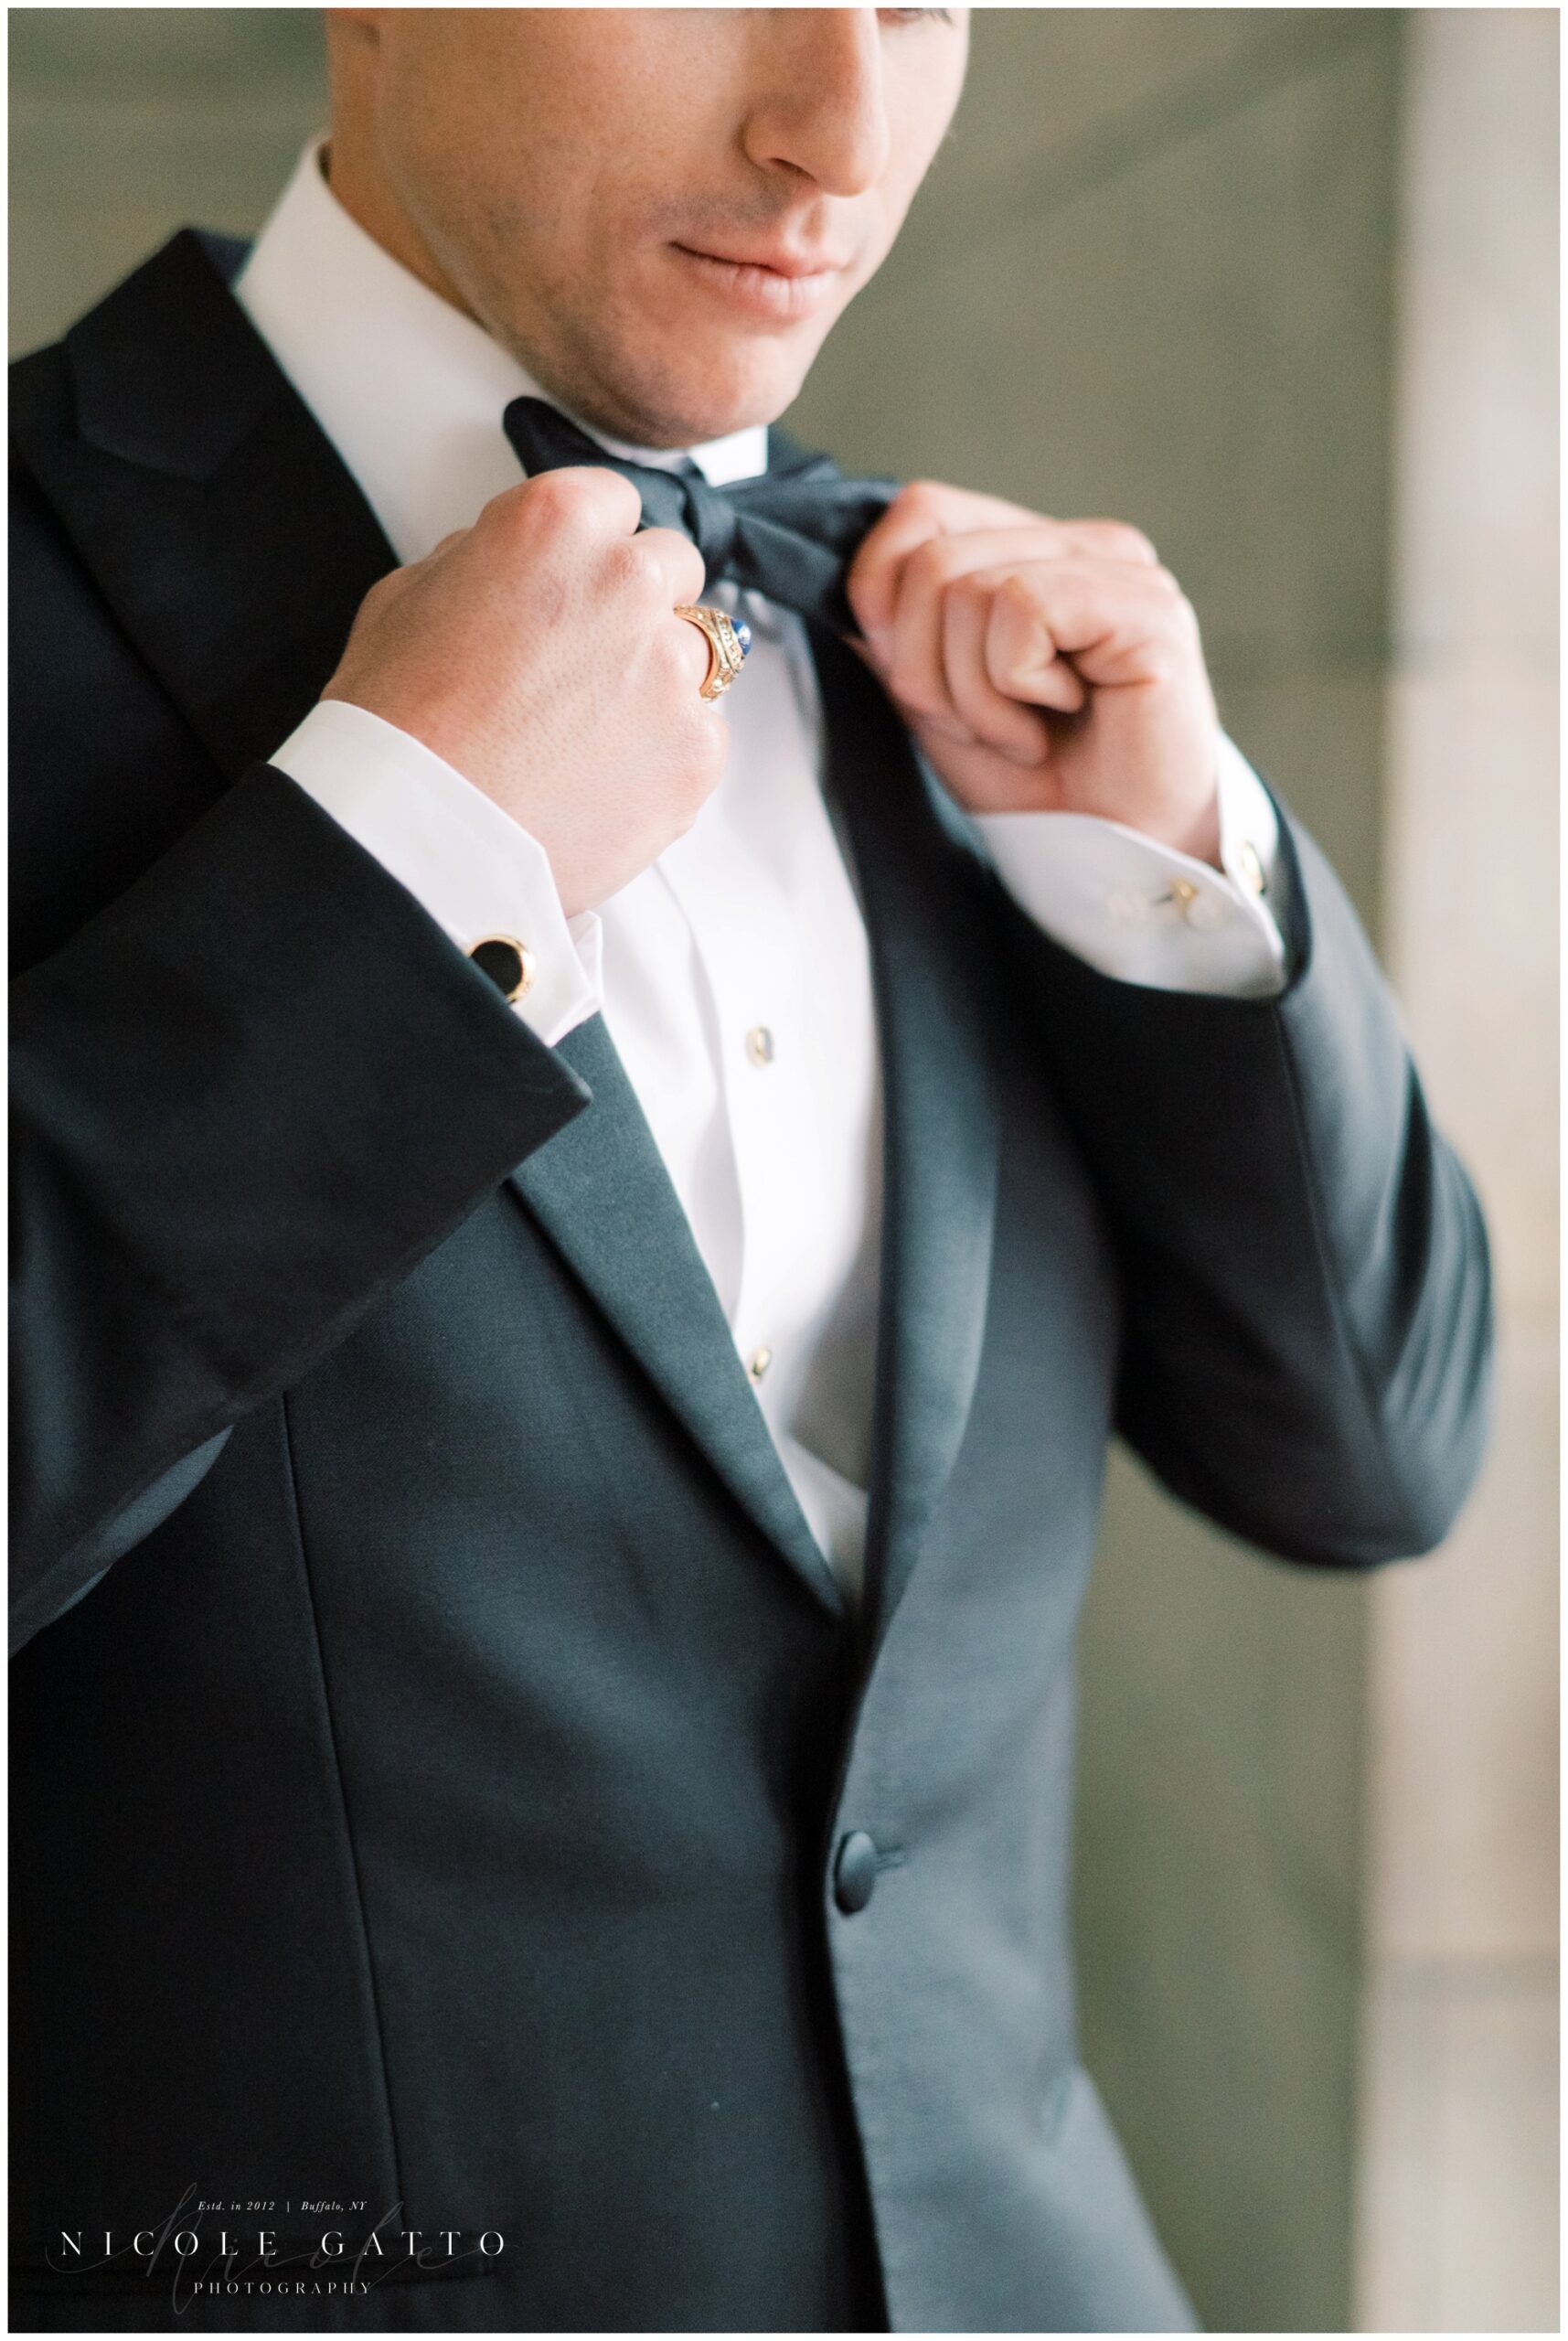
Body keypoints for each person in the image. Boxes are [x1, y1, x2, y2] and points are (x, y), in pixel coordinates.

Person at [10, 9, 1492, 2334]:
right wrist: (398, 868)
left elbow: (1380, 1455)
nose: (840, 135)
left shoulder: (971, 673)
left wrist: (1179, 877)